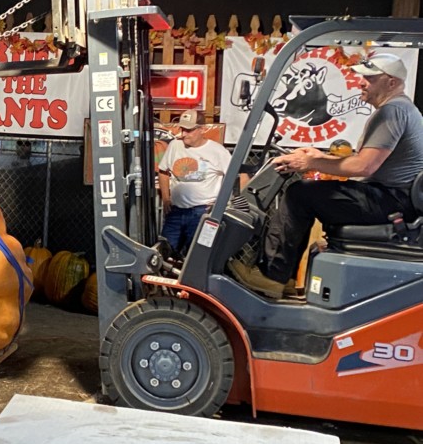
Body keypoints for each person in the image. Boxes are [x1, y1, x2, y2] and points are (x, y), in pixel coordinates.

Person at [231, 52, 423, 299]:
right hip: (392, 198)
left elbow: (364, 166)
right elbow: (363, 161)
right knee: (306, 193)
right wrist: (316, 156)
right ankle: (284, 279)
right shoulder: (401, 109)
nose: (361, 83)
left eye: (370, 78)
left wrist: (311, 162)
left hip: (390, 201)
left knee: (300, 194)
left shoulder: (393, 110)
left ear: (391, 82)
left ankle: (271, 277)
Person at [158, 110, 232, 255]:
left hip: (203, 212)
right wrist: (166, 198)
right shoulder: (174, 145)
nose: (183, 134)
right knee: (165, 252)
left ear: (202, 129)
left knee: (196, 255)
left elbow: (238, 175)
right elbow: (163, 171)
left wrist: (225, 203)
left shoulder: (217, 151)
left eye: (189, 130)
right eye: (182, 129)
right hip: (175, 211)